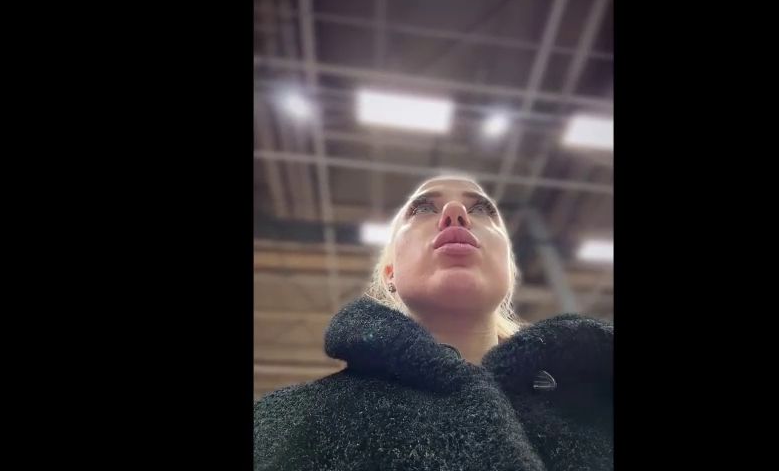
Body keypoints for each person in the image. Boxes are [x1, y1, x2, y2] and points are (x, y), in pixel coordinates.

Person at [254, 175, 613, 470]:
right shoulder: (281, 422)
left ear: (508, 266)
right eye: (423, 208)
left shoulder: (600, 399)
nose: (456, 213)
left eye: (482, 209)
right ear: (390, 274)